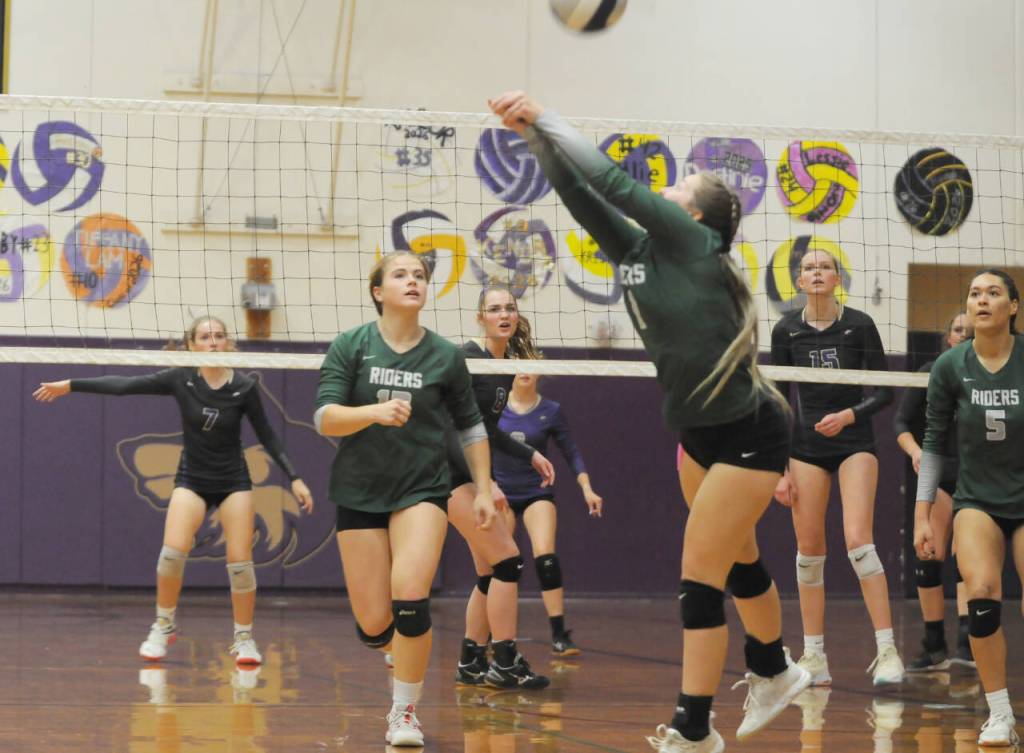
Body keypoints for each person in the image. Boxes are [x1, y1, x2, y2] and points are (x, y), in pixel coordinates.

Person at [489, 90, 810, 753]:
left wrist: (545, 114)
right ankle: (775, 667)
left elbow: (607, 178)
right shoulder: (638, 251)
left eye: (682, 183)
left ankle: (695, 729)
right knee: (738, 556)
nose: (670, 186)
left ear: (696, 212)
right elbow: (584, 197)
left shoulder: (694, 242)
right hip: (698, 434)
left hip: (750, 431)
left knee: (698, 577)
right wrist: (535, 141)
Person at [33, 316, 314, 666]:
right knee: (171, 554)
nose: (213, 342)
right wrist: (71, 385)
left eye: (219, 336)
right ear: (191, 345)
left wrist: (295, 477)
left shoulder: (244, 387)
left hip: (232, 481)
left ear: (228, 343)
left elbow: (268, 435)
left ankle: (244, 637)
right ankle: (164, 625)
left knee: (240, 563)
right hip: (192, 478)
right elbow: (124, 385)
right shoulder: (182, 379)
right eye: (205, 337)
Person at [314, 251, 495, 747]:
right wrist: (373, 412)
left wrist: (482, 488)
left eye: (419, 275)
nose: (412, 280)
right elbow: (325, 416)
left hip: (423, 489)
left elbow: (471, 426)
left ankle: (404, 713)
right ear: (379, 291)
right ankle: (393, 647)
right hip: (360, 488)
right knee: (375, 623)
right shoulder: (351, 345)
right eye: (400, 274)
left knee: (411, 601)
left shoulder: (445, 355)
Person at [770, 250, 905, 687]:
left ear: (837, 277)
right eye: (808, 267)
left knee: (858, 542)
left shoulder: (860, 324)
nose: (816, 273)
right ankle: (814, 657)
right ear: (798, 280)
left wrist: (849, 415)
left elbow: (885, 391)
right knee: (809, 553)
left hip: (854, 443)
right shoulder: (785, 330)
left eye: (824, 266)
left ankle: (887, 651)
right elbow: (778, 401)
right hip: (804, 448)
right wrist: (779, 469)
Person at [916, 269, 1024, 747]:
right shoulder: (949, 366)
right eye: (975, 294)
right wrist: (923, 514)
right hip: (977, 498)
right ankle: (999, 713)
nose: (983, 301)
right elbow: (934, 443)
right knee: (980, 593)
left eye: (994, 293)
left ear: (1013, 307)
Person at [449, 284, 555, 690]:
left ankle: (472, 660)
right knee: (508, 561)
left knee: (490, 570)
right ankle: (506, 661)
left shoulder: (506, 363)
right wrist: (483, 482)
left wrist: (528, 454)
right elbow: (452, 427)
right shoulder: (464, 359)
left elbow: (486, 428)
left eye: (509, 307)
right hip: (446, 473)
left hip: (467, 474)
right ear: (481, 318)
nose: (503, 314)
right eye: (494, 309)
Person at [492, 370, 604, 655]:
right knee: (501, 565)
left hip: (535, 492)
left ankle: (559, 635)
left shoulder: (550, 410)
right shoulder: (495, 406)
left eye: (530, 365)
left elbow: (571, 451)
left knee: (546, 558)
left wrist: (587, 489)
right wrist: (486, 484)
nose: (525, 372)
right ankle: (496, 638)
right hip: (501, 494)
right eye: (519, 365)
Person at [894, 313, 974, 671]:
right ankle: (934, 645)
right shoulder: (929, 371)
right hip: (938, 474)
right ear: (946, 335)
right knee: (928, 556)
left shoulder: (991, 371)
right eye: (958, 328)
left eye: (970, 331)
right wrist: (915, 451)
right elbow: (900, 422)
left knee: (967, 563)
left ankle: (966, 647)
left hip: (977, 478)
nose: (964, 334)